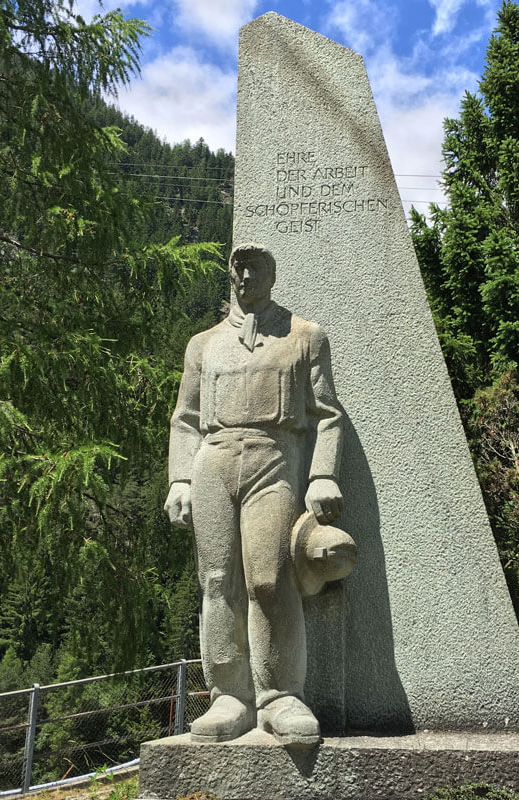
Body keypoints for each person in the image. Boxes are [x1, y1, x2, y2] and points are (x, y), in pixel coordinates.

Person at [164, 242, 344, 747]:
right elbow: (185, 419)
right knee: (217, 580)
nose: (246, 277)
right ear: (230, 276)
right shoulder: (203, 344)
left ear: (271, 275)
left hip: (275, 458)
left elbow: (328, 415)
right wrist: (180, 479)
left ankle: (280, 694)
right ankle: (230, 696)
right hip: (214, 462)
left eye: (256, 268)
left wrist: (322, 475)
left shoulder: (305, 336)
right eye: (238, 269)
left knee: (269, 577)